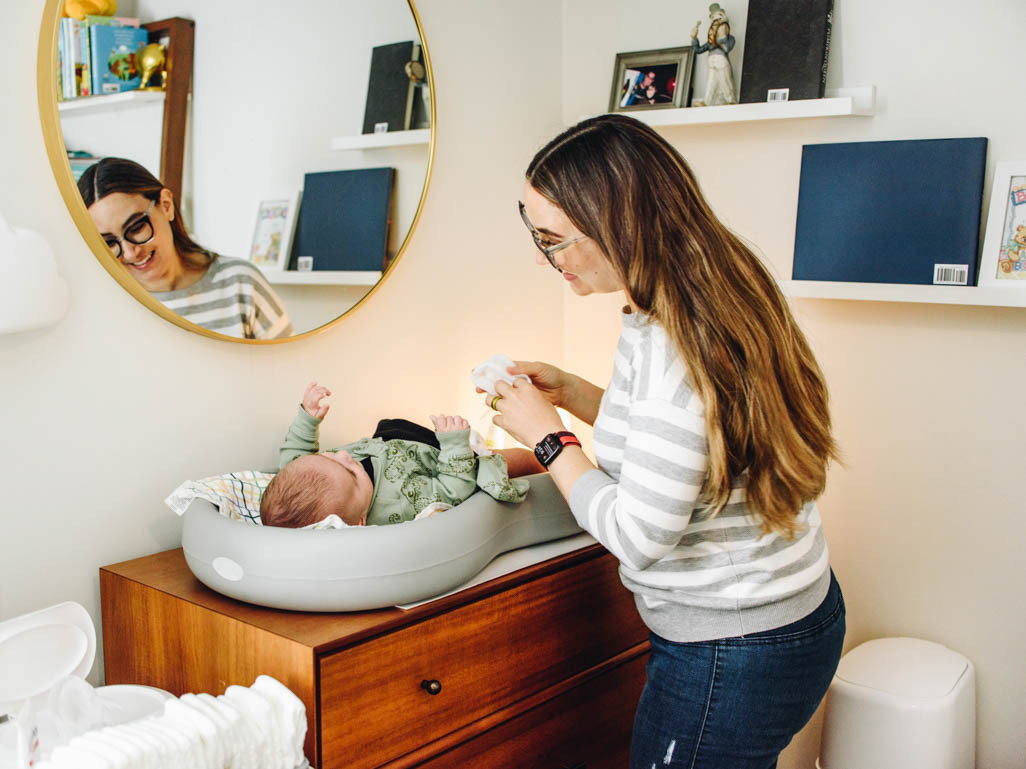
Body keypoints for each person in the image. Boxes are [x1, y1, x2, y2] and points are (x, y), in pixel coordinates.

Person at [491, 114, 845, 768]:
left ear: (614, 226)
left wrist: (548, 438)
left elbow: (638, 534)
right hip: (795, 611)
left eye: (554, 241)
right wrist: (575, 392)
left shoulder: (675, 348)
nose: (548, 259)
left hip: (733, 647)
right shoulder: (700, 280)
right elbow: (688, 436)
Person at [260, 382, 543, 528]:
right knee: (517, 460)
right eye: (349, 471)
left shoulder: (318, 477)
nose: (345, 458)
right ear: (360, 521)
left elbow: (293, 461)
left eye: (329, 457)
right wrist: (455, 446)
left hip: (399, 443)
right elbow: (450, 491)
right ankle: (548, 466)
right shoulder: (394, 507)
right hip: (449, 460)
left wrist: (308, 420)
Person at [79, 157, 292, 340]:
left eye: (136, 228)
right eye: (109, 243)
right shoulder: (107, 306)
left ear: (166, 205)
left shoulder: (240, 283)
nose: (130, 252)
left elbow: (291, 373)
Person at [691, 2, 737, 106]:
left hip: (721, 61)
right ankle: (707, 102)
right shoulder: (710, 43)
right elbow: (698, 50)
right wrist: (694, 38)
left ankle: (731, 100)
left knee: (725, 80)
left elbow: (727, 48)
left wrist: (721, 36)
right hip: (712, 62)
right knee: (710, 84)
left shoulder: (730, 38)